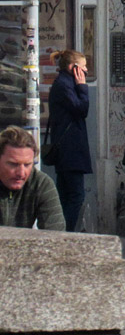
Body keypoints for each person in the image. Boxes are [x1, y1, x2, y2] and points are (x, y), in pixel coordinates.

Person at [46, 49, 91, 232]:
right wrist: (83, 87)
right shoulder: (65, 85)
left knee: (65, 194)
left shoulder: (64, 83)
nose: (86, 71)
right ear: (74, 68)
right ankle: (67, 232)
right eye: (84, 67)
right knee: (75, 196)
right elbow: (81, 109)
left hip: (68, 149)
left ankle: (61, 230)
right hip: (70, 150)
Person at [0, 125, 64, 231]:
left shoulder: (41, 183)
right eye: (13, 164)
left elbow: (56, 234)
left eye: (27, 165)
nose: (21, 173)